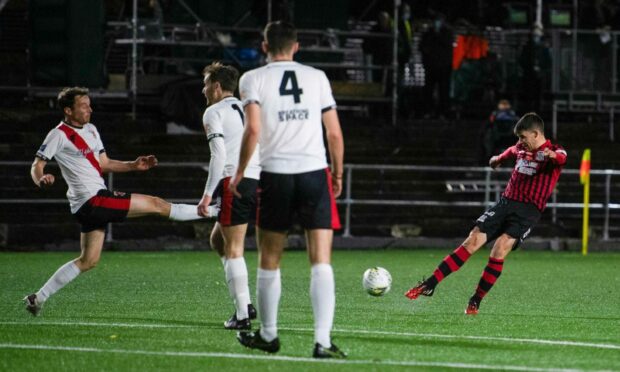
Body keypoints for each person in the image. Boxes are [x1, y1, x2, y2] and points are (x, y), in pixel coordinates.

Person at [24, 87, 218, 316]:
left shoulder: (92, 130)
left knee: (88, 261)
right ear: (68, 110)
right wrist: (41, 179)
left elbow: (104, 163)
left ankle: (38, 298)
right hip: (92, 201)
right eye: (83, 105)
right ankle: (216, 210)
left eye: (89, 104)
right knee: (156, 204)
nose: (89, 109)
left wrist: (133, 165)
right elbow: (37, 165)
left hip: (88, 205)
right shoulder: (58, 134)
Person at [231, 21, 346, 358]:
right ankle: (322, 342)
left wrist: (240, 172)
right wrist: (336, 174)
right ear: (297, 46)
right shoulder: (317, 77)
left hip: (275, 174)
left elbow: (252, 129)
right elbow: (335, 134)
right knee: (321, 260)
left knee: (269, 258)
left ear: (264, 46)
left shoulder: (252, 79)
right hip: (314, 173)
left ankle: (269, 335)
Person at [406, 113, 567, 314]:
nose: (520, 142)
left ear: (536, 134)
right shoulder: (520, 148)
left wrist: (552, 156)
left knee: (499, 249)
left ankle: (475, 301)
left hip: (528, 211)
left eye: (523, 137)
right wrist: (497, 159)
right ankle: (429, 284)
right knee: (472, 240)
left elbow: (562, 157)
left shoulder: (554, 150)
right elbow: (510, 151)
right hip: (505, 203)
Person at [196, 62, 260, 330]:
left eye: (206, 84)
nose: (203, 89)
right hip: (258, 179)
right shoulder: (249, 108)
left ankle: (243, 314)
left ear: (217, 87)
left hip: (235, 181)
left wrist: (207, 195)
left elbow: (219, 155)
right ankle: (245, 303)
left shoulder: (213, 111)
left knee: (234, 249)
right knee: (217, 240)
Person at [419, 13, 453, 119]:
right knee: (428, 91)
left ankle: (443, 112)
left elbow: (448, 47)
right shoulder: (428, 33)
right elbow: (422, 47)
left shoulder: (447, 33)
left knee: (443, 91)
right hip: (430, 67)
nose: (437, 23)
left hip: (443, 67)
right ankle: (428, 111)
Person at [479, 99, 519, 165]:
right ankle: (488, 155)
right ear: (499, 106)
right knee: (487, 135)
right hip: (496, 135)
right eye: (502, 105)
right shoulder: (495, 113)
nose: (504, 106)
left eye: (506, 105)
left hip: (510, 135)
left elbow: (518, 121)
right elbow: (490, 122)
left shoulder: (512, 113)